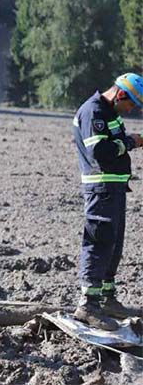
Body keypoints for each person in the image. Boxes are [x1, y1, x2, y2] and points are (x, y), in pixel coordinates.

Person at [71, 73, 143, 330]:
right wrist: (131, 142)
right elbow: (99, 151)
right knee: (99, 241)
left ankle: (107, 298)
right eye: (132, 103)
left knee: (113, 243)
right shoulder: (93, 111)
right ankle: (88, 305)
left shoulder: (111, 113)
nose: (132, 109)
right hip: (100, 188)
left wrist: (127, 142)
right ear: (120, 94)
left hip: (114, 187)